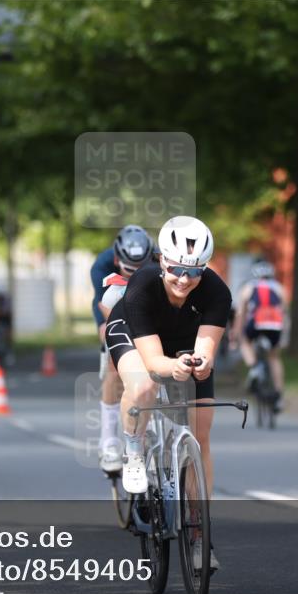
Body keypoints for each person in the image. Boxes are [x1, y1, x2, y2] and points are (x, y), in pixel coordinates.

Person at [104, 216, 230, 570]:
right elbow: (153, 360)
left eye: (195, 271)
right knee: (143, 385)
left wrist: (199, 364)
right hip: (133, 333)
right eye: (176, 269)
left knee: (200, 433)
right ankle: (133, 449)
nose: (184, 279)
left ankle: (199, 534)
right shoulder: (143, 285)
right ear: (161, 260)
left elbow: (206, 350)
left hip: (184, 342)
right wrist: (171, 368)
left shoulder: (217, 292)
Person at [90, 225, 155, 472]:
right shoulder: (101, 267)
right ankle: (108, 440)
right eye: (130, 270)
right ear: (118, 260)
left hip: (149, 304)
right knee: (113, 359)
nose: (135, 275)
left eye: (141, 270)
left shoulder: (160, 256)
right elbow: (106, 310)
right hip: (113, 304)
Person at [232, 260, 288, 411]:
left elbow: (241, 314)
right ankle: (279, 396)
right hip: (274, 326)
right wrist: (283, 336)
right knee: (274, 358)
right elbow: (283, 313)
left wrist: (236, 334)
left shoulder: (249, 287)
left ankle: (254, 367)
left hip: (255, 324)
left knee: (245, 341)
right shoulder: (280, 288)